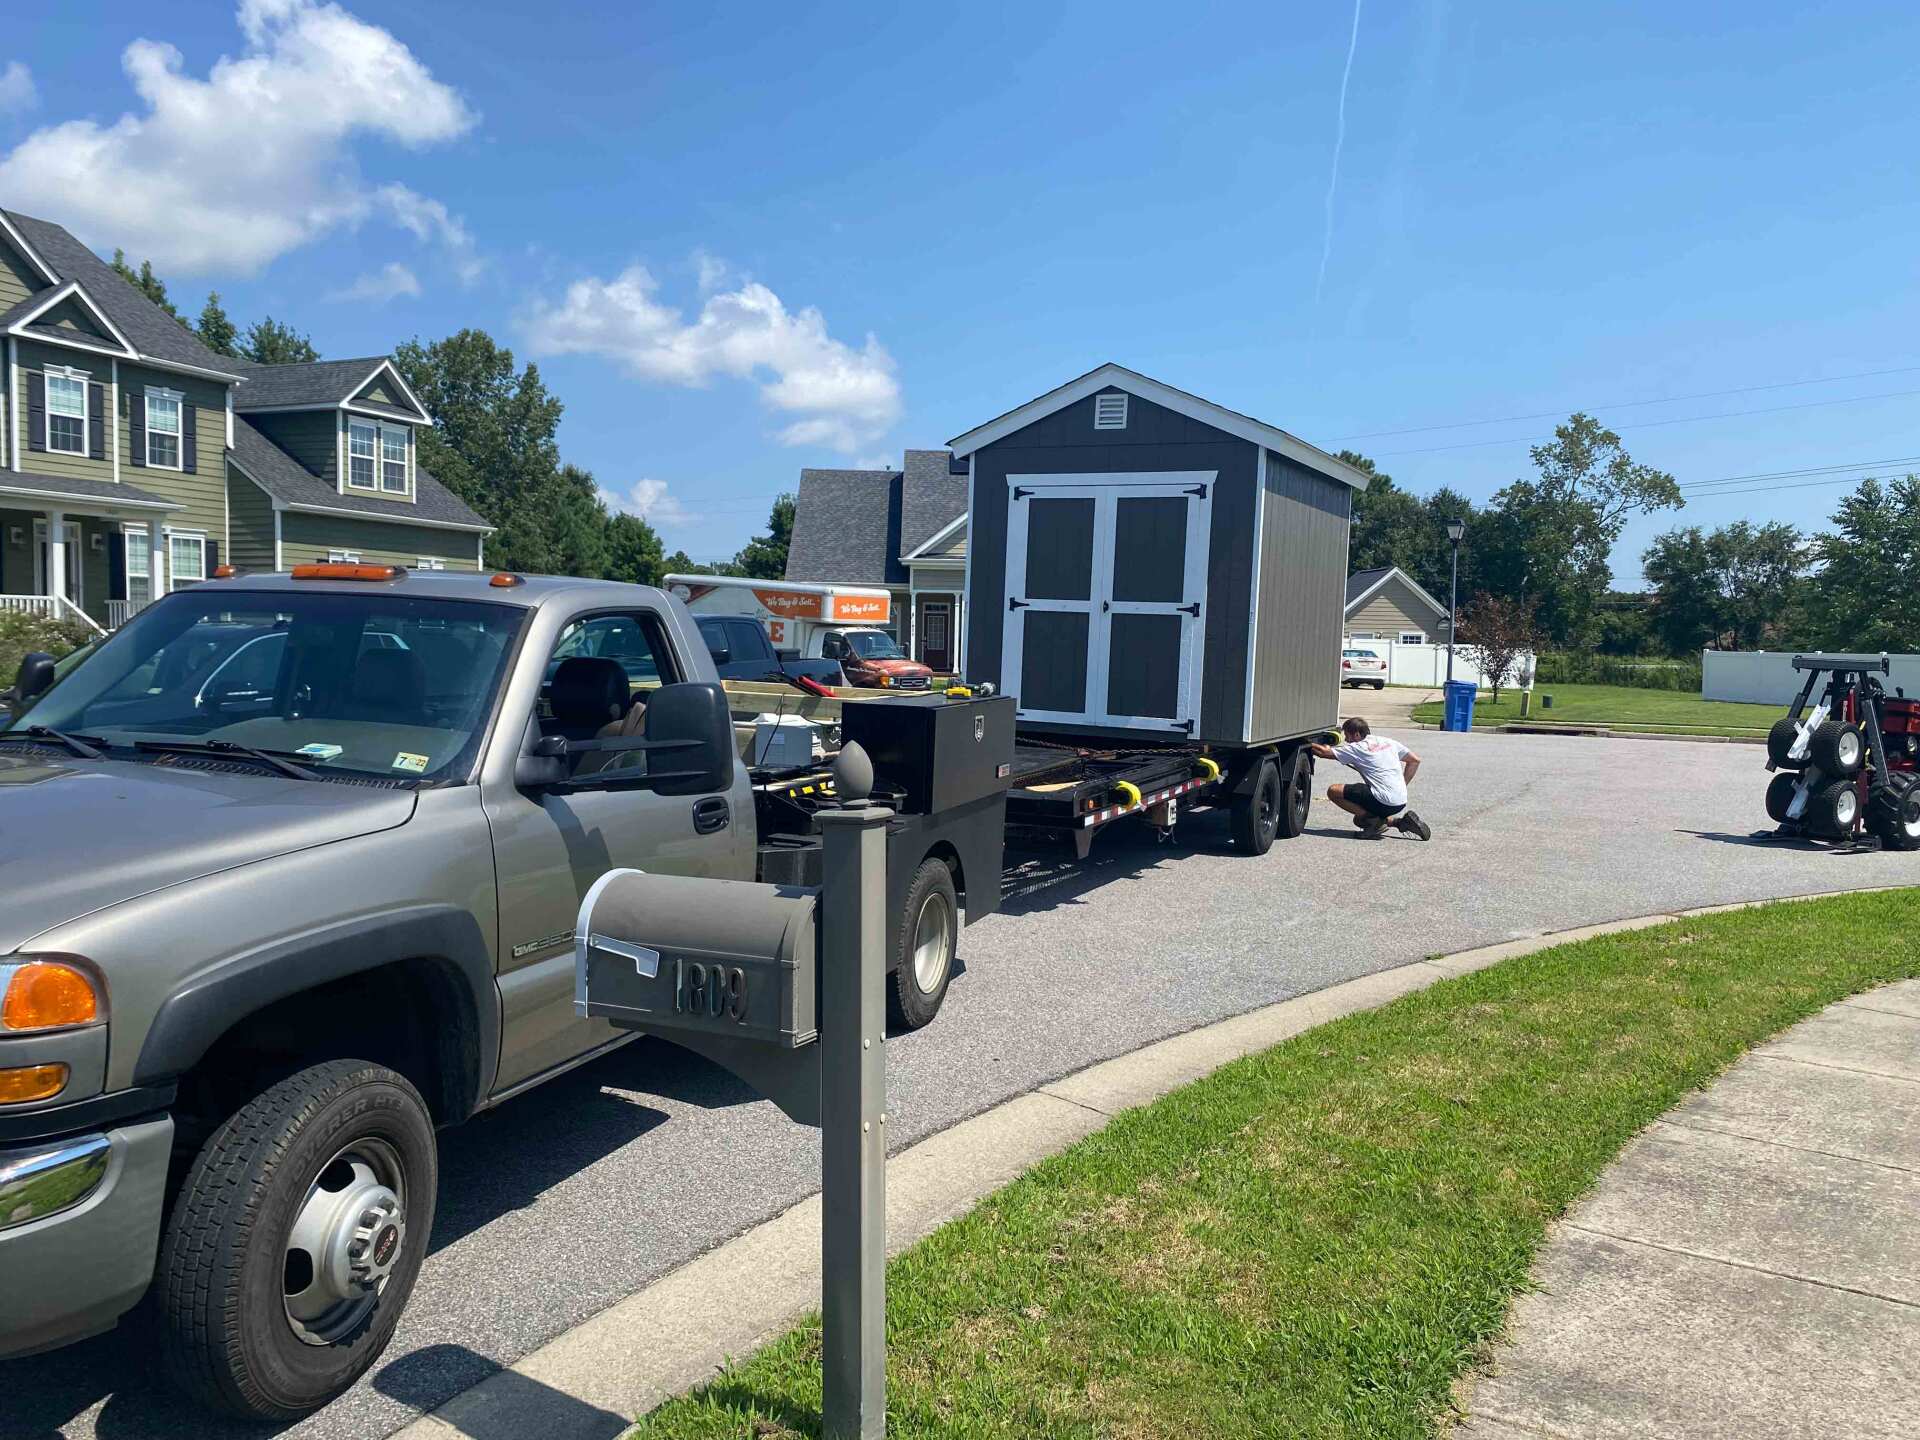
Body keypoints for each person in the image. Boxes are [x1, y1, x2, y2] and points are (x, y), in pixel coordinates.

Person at [1309, 716, 1432, 840]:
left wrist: (1304, 741)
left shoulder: (1358, 747)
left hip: (1383, 800)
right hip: (1400, 801)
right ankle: (1401, 822)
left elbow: (1323, 753)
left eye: (1347, 736)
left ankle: (1374, 822)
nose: (1346, 740)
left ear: (1357, 734)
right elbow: (1415, 760)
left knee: (1334, 791)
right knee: (1360, 817)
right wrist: (1401, 786)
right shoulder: (1387, 741)